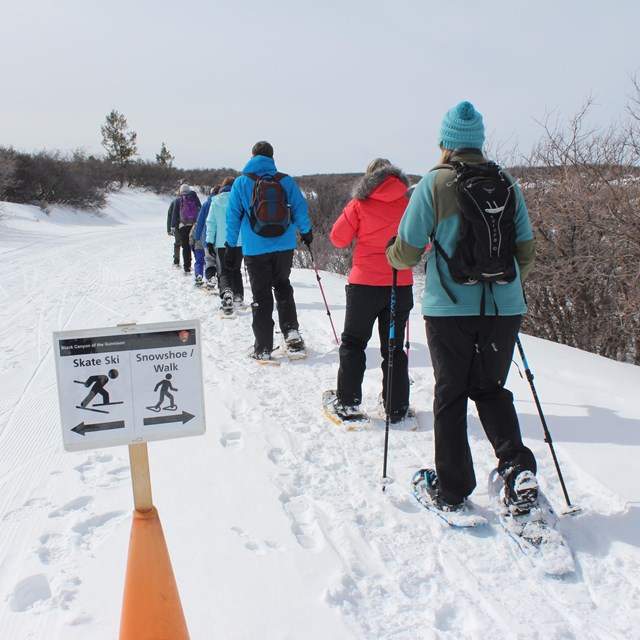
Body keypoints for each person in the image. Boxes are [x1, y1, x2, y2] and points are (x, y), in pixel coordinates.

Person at [386, 101, 538, 515]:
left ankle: (453, 489)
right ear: (479, 142)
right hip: (503, 309)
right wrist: (503, 282)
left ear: (445, 143)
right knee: (491, 389)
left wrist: (393, 254)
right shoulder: (506, 181)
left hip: (450, 308)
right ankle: (517, 470)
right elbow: (525, 248)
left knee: (451, 393)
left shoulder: (434, 184)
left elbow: (406, 251)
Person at [327, 158, 413, 423]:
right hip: (400, 283)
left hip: (364, 285)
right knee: (394, 347)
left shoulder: (359, 204)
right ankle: (396, 406)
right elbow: (424, 244)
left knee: (354, 344)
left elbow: (338, 239)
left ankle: (348, 403)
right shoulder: (409, 204)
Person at [225, 141, 312, 360]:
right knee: (282, 286)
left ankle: (263, 347)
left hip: (255, 249)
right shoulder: (285, 181)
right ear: (272, 158)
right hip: (284, 246)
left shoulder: (241, 182)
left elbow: (232, 216)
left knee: (261, 295)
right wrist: (306, 232)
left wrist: (229, 245)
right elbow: (300, 209)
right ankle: (292, 334)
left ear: (252, 156)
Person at [206, 177, 244, 315]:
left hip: (221, 243)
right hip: (238, 242)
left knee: (223, 271)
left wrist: (209, 241)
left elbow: (211, 223)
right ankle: (238, 296)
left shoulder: (215, 201)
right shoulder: (239, 200)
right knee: (236, 269)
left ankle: (227, 292)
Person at [170, 184, 202, 274]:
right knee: (196, 246)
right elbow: (201, 210)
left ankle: (187, 268)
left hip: (183, 226)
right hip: (195, 225)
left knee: (185, 247)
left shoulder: (178, 200)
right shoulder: (195, 198)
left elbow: (175, 214)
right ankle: (199, 266)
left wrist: (173, 227)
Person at [191, 186, 217, 287]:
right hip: (219, 239)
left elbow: (200, 222)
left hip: (205, 238)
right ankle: (216, 278)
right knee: (216, 260)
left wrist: (196, 238)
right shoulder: (224, 202)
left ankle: (203, 277)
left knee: (204, 261)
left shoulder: (206, 204)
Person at [167, 192, 181, 268]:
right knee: (187, 245)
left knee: (177, 243)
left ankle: (176, 260)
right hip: (189, 225)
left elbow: (170, 216)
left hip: (177, 226)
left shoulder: (174, 202)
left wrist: (169, 228)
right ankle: (188, 262)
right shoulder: (192, 199)